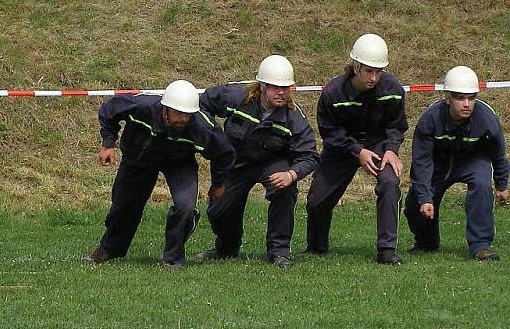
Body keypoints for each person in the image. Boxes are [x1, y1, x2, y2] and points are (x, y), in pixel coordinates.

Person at [84, 80, 235, 269]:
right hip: (139, 157)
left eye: (187, 114)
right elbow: (109, 110)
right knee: (124, 205)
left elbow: (224, 154)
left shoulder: (202, 126)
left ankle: (173, 258)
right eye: (178, 113)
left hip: (180, 163)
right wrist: (108, 143)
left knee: (186, 207)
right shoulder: (141, 106)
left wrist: (219, 184)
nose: (183, 119)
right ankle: (109, 249)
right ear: (166, 108)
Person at [194, 55, 319, 269]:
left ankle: (279, 252)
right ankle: (226, 248)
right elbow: (201, 104)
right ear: (262, 86)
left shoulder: (294, 118)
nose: (281, 92)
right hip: (237, 163)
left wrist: (291, 174)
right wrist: (214, 137)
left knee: (285, 190)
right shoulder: (236, 97)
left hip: (272, 163)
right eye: (274, 87)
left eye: (286, 87)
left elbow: (309, 155)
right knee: (218, 210)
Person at [305, 33, 408, 264]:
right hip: (342, 146)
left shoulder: (393, 89)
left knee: (390, 182)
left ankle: (387, 250)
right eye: (369, 71)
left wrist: (391, 149)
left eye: (378, 71)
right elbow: (329, 131)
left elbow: (396, 125)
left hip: (379, 144)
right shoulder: (332, 93)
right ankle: (316, 247)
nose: (374, 77)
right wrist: (357, 151)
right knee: (317, 200)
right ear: (355, 67)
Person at [404, 66, 509, 261]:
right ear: (448, 98)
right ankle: (427, 242)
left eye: (471, 98)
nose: (467, 104)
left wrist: (502, 185)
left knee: (482, 185)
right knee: (415, 203)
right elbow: (421, 161)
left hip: (473, 160)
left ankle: (481, 245)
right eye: (460, 98)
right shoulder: (430, 119)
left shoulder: (487, 119)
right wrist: (425, 197)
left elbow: (498, 153)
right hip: (438, 163)